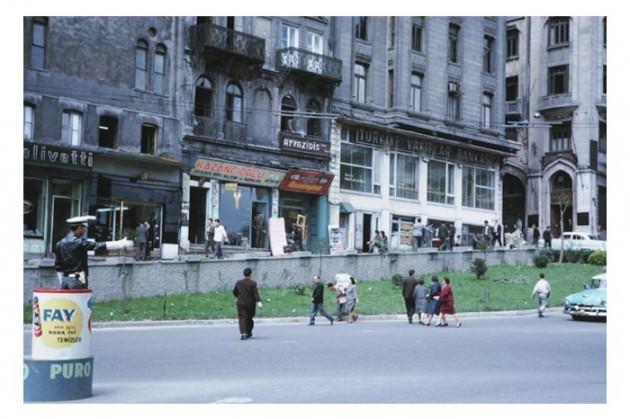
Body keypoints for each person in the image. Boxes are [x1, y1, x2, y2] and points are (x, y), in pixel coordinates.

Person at [54, 216, 132, 289]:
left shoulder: (60, 243)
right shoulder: (80, 242)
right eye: (84, 227)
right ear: (79, 227)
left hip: (65, 280)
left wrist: (62, 283)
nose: (85, 230)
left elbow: (58, 266)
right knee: (81, 302)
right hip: (77, 280)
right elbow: (99, 246)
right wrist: (120, 244)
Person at [232, 267, 263, 340]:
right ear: (251, 274)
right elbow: (255, 294)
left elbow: (235, 292)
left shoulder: (238, 283)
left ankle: (243, 333)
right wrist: (259, 302)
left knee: (242, 318)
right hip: (250, 304)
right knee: (249, 317)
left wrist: (238, 297)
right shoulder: (253, 283)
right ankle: (248, 331)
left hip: (240, 303)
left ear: (244, 274)